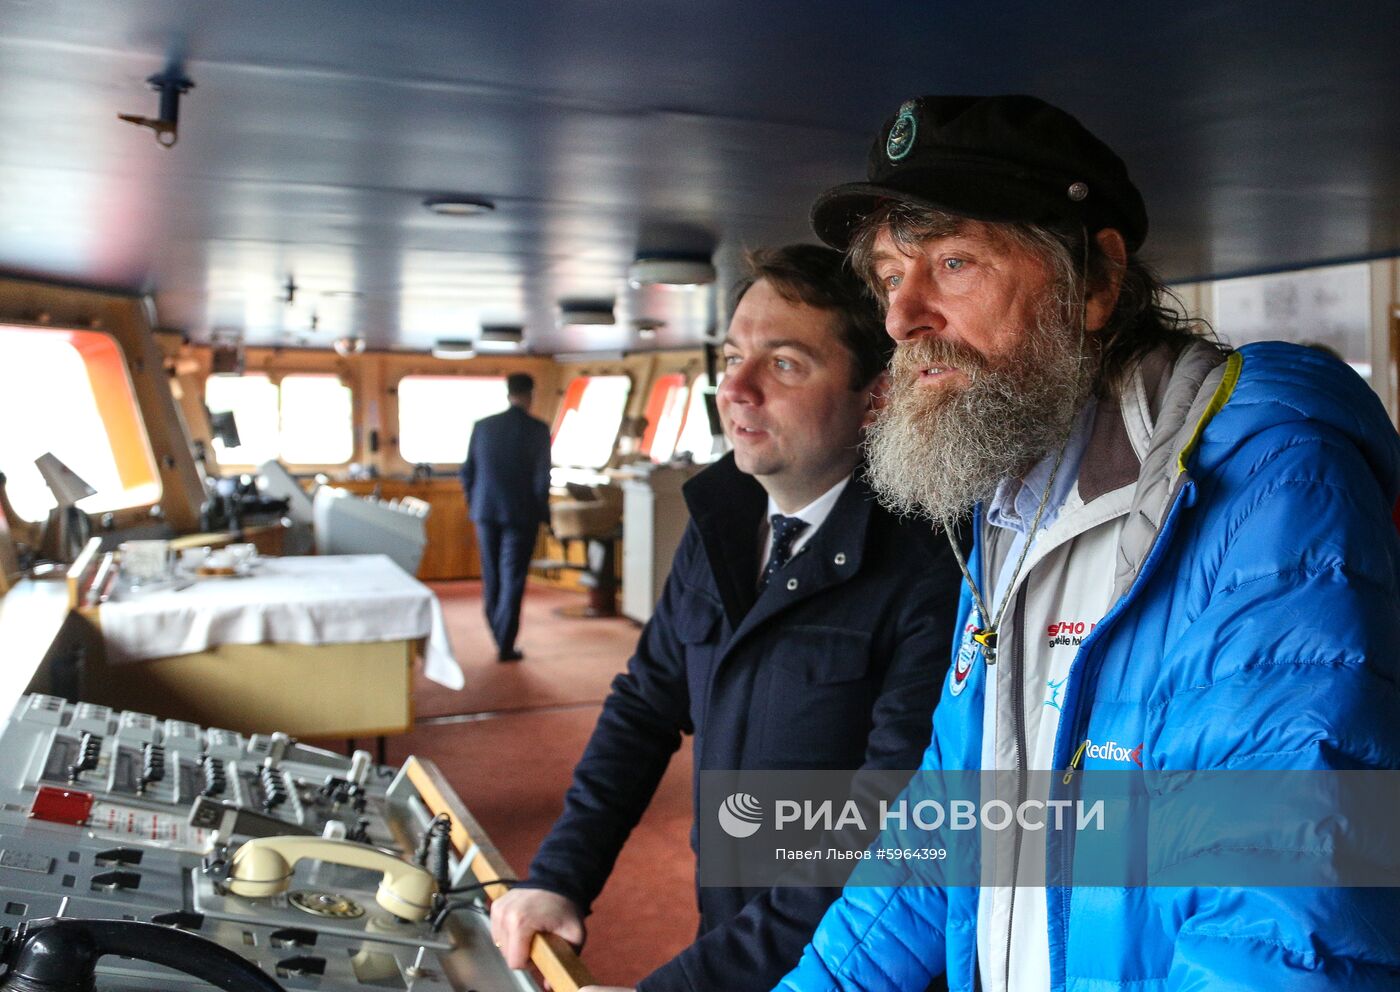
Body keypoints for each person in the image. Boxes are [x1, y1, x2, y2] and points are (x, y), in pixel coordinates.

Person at [777, 95, 1400, 990]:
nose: (900, 318)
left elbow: (1288, 910)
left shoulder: (1272, 480)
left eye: (953, 261)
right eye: (887, 275)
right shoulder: (1009, 501)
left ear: (1098, 279)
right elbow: (946, 830)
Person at [489, 245, 965, 991]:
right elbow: (645, 707)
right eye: (733, 355)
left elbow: (879, 837)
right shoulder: (722, 518)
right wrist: (560, 875)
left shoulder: (930, 569)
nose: (734, 388)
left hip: (847, 962)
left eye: (783, 365)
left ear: (877, 398)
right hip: (731, 923)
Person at [460, 371, 552, 662]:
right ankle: (505, 641)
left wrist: (473, 503)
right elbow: (541, 478)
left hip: (485, 511)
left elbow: (467, 472)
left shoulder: (483, 427)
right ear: (530, 395)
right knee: (513, 577)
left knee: (492, 574)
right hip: (522, 514)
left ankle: (496, 628)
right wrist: (544, 513)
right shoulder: (538, 429)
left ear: (508, 392)